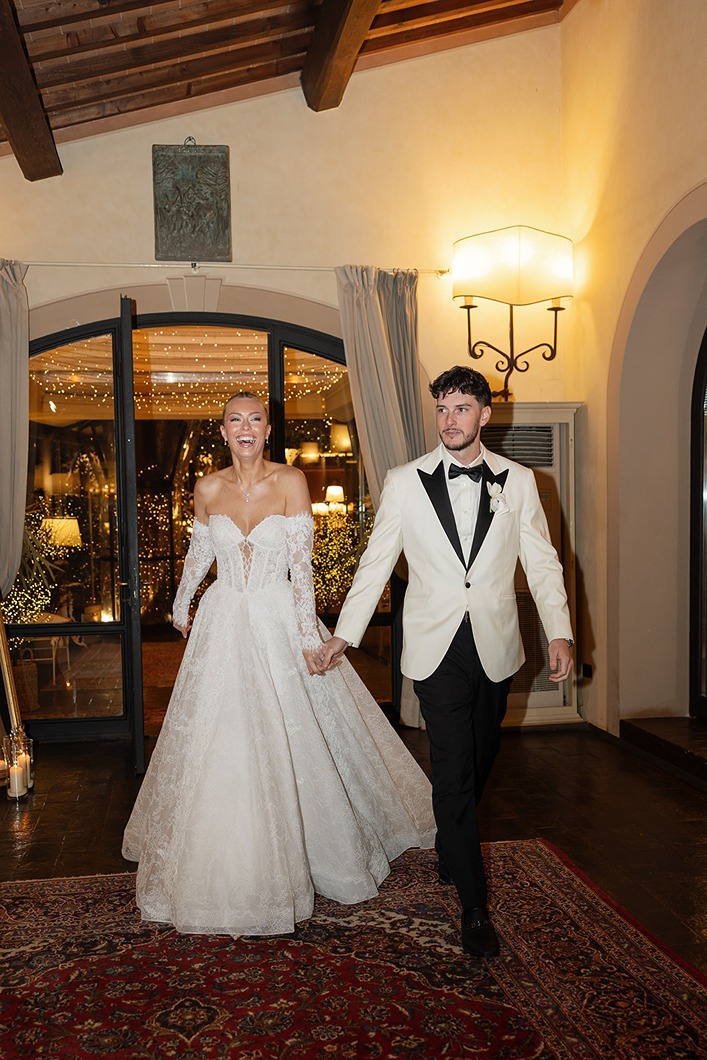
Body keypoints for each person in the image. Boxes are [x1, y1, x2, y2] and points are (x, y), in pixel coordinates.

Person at [122, 392, 435, 937]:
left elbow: (300, 566)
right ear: (223, 430)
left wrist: (306, 635)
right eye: (235, 419)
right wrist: (181, 603)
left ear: (268, 429)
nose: (245, 427)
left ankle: (316, 851)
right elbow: (199, 553)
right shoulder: (207, 488)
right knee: (220, 731)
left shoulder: (291, 481)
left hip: (277, 616)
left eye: (255, 419)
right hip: (223, 619)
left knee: (295, 731)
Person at [321, 366, 574, 960]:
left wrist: (560, 632)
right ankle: (474, 906)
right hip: (435, 648)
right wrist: (345, 635)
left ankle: (448, 841)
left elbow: (542, 563)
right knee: (454, 769)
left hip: (495, 644)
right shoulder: (403, 481)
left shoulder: (519, 481)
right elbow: (375, 562)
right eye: (442, 409)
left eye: (461, 408)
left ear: (484, 415)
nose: (450, 419)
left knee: (482, 756)